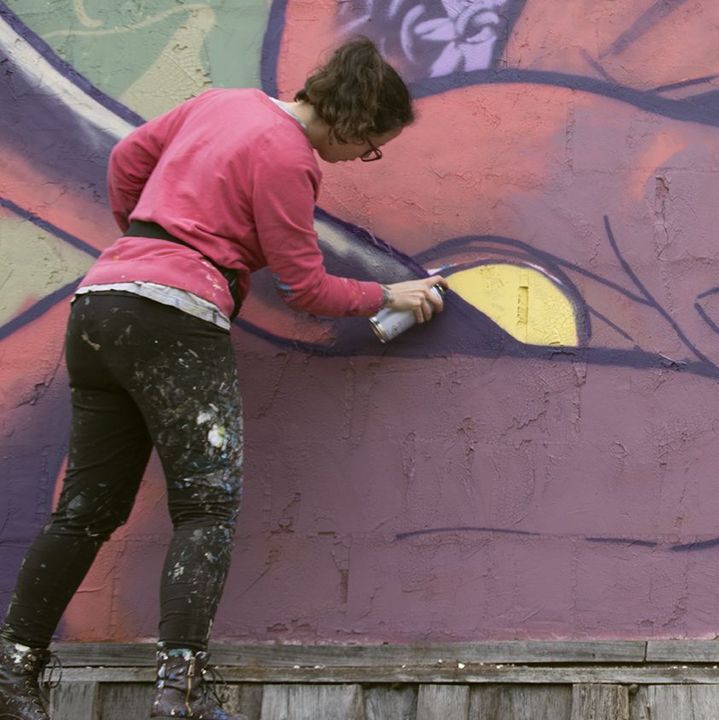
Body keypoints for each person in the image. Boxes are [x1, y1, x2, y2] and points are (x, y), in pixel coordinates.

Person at [0, 36, 444, 720]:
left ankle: (15, 670)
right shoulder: (291, 160)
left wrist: (147, 238)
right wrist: (393, 295)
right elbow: (306, 288)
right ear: (354, 121)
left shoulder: (222, 103)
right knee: (207, 504)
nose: (363, 159)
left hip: (101, 303)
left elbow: (126, 158)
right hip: (173, 318)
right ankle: (179, 696)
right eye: (371, 147)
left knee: (87, 509)